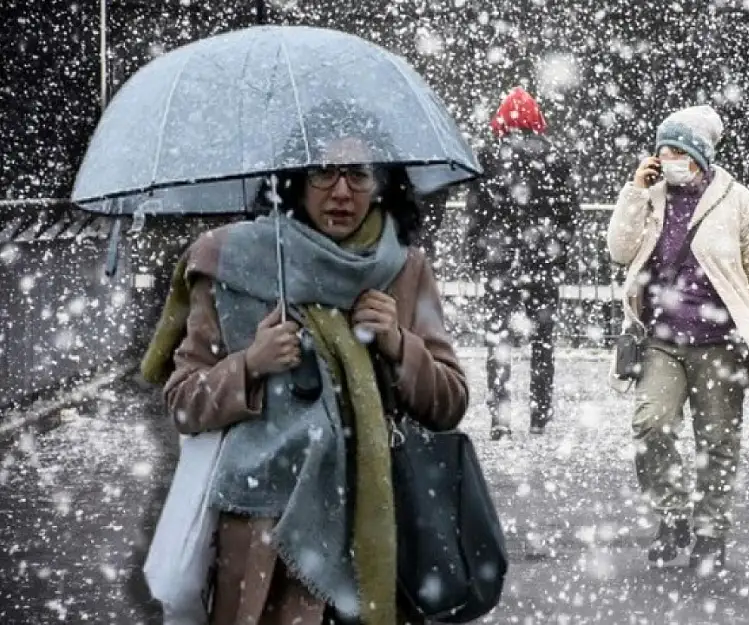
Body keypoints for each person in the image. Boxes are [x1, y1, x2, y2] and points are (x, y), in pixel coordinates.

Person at [141, 105, 468, 624]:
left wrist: (397, 342)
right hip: (260, 535)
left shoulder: (404, 270)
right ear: (295, 179)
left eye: (359, 173)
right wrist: (250, 364)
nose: (341, 191)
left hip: (373, 532)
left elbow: (449, 404)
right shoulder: (234, 263)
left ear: (382, 183)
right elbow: (182, 404)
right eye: (322, 170)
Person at [606, 105, 749, 573]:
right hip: (661, 340)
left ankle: (711, 533)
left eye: (676, 150)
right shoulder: (650, 196)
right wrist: (635, 191)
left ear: (699, 154)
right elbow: (618, 249)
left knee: (716, 442)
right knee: (650, 426)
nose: (667, 158)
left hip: (720, 344)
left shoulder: (738, 203)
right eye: (661, 151)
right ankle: (672, 516)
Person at [465, 86, 579, 439]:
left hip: (501, 264)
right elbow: (568, 215)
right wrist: (558, 254)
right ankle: (539, 417)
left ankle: (501, 419)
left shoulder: (487, 157)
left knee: (498, 341)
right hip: (542, 263)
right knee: (542, 344)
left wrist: (478, 254)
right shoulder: (556, 158)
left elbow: (476, 214)